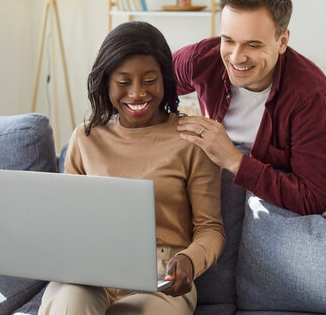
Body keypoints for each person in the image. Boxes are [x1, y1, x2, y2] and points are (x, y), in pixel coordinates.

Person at [38, 21, 225, 315]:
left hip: (161, 280)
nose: (137, 93)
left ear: (165, 80)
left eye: (149, 80)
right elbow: (67, 222)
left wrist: (189, 259)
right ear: (107, 82)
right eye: (124, 82)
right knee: (70, 303)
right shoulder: (85, 138)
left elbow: (210, 228)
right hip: (90, 271)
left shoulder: (191, 141)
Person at [174, 0, 326, 216]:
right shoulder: (201, 58)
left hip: (271, 187)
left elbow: (316, 198)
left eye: (253, 45)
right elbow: (150, 83)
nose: (236, 57)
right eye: (228, 40)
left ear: (282, 41)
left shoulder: (310, 93)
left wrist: (233, 160)